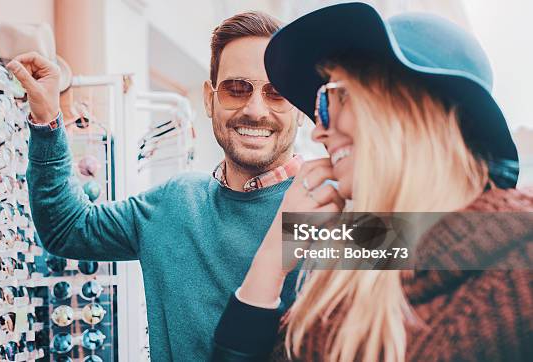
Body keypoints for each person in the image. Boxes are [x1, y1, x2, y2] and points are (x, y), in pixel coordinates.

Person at [212, 3, 531, 361]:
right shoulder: (367, 251)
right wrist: (275, 254)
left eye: (328, 100)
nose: (319, 132)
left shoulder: (520, 267)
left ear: (408, 106)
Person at [5, 11, 304, 361]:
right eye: (236, 89)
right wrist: (47, 120)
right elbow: (65, 228)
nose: (255, 109)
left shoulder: (338, 215)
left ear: (299, 107)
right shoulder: (175, 203)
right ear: (209, 99)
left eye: (277, 93)